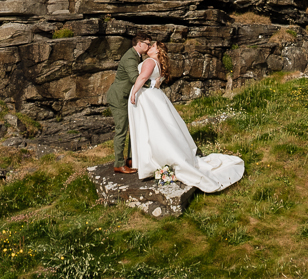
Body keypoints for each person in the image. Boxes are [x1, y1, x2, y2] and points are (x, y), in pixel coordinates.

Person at [128, 39, 245, 192]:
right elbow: (157, 80)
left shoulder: (150, 61)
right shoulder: (159, 63)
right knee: (161, 127)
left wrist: (134, 92)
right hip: (155, 96)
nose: (149, 47)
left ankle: (153, 160)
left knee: (150, 128)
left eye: (153, 46)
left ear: (157, 51)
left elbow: (143, 77)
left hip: (147, 98)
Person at [105, 38, 148, 175]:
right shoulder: (130, 57)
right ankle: (119, 164)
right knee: (121, 130)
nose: (149, 45)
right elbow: (134, 77)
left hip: (127, 97)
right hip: (119, 97)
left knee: (133, 127)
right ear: (139, 43)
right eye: (147, 43)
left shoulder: (137, 56)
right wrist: (151, 86)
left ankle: (131, 159)